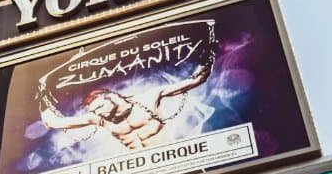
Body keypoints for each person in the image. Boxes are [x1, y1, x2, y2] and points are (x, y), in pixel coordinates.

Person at [40, 62, 210, 150]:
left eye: (99, 107)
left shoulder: (148, 98)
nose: (98, 113)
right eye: (94, 111)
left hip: (171, 157)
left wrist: (205, 65)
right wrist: (42, 100)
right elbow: (57, 122)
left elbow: (194, 81)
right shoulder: (98, 119)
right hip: (139, 169)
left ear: (111, 97)